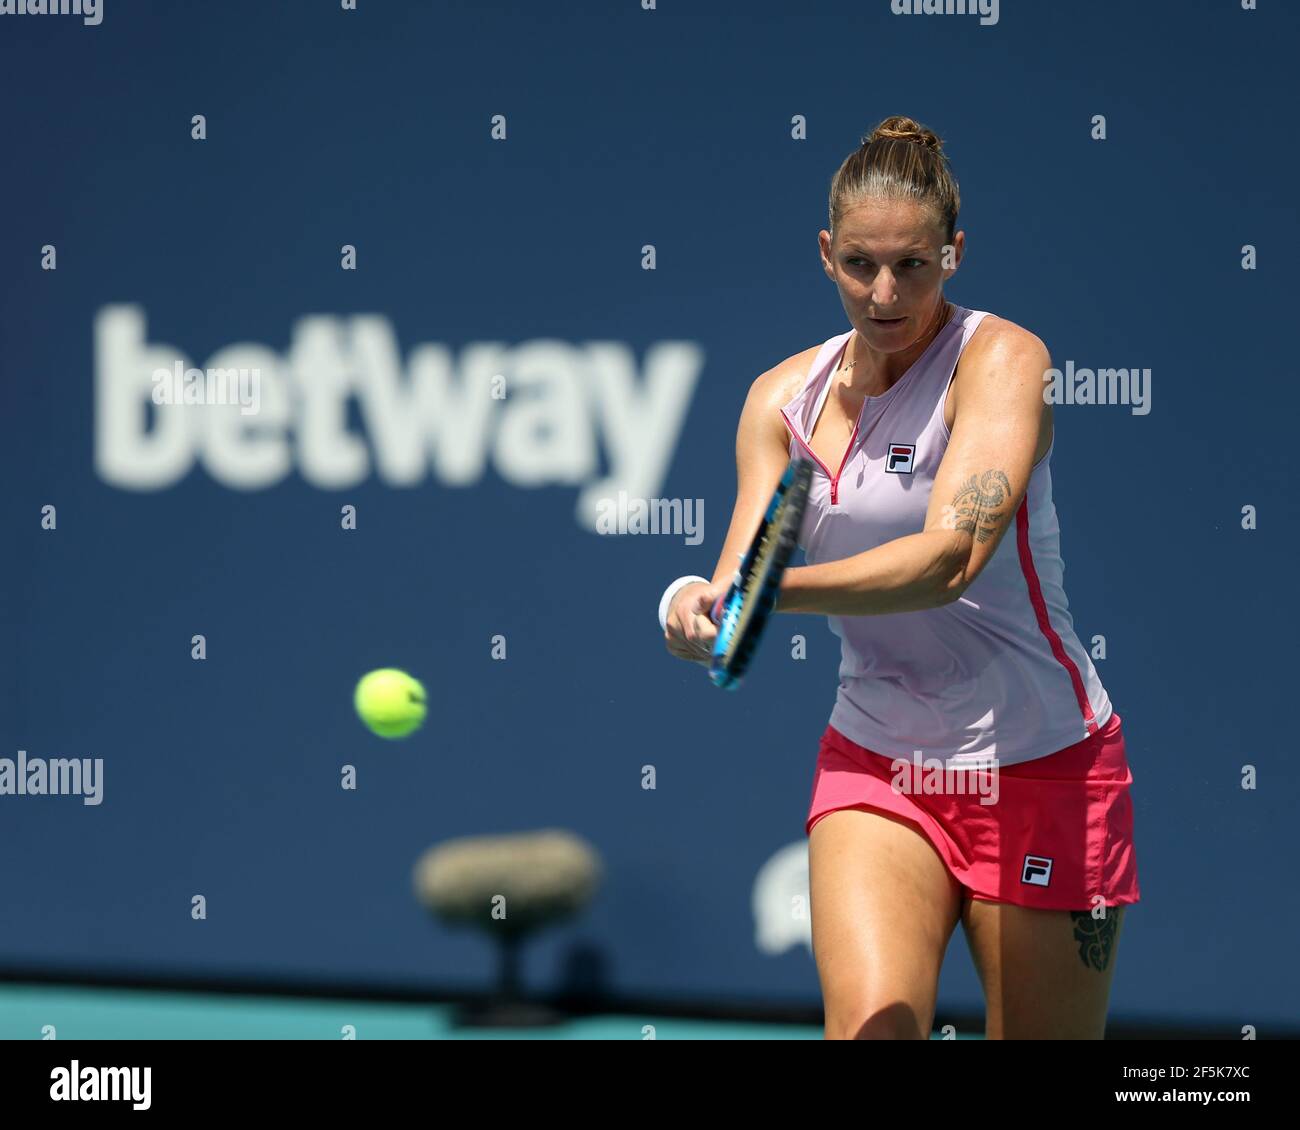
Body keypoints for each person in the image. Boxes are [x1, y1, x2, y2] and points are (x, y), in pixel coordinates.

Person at [659, 115, 1139, 1040]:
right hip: (877, 760)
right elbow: (737, 582)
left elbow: (950, 559)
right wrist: (691, 606)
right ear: (826, 255)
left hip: (1043, 762)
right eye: (861, 265)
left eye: (913, 266)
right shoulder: (779, 401)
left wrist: (772, 597)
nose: (886, 292)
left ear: (953, 254)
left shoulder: (1002, 362)